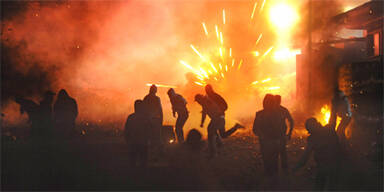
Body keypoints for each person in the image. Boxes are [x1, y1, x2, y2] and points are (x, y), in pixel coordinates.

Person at [292, 103, 342, 190]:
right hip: (336, 164)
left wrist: (296, 168)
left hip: (324, 166)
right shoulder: (329, 128)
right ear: (318, 124)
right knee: (333, 186)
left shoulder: (312, 139)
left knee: (320, 186)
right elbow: (333, 116)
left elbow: (305, 157)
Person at [253, 94, 282, 177]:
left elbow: (280, 128)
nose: (268, 104)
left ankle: (273, 181)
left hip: (273, 142)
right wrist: (261, 135)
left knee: (273, 162)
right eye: (267, 102)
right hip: (266, 142)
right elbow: (255, 129)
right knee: (268, 162)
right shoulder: (259, 114)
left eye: (270, 102)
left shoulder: (277, 114)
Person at [124, 100, 151, 168]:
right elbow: (149, 129)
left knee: (132, 161)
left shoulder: (131, 117)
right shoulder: (145, 117)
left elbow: (127, 130)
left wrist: (127, 140)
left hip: (133, 142)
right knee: (143, 162)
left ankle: (133, 175)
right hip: (143, 142)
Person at [273, 95, 294, 174]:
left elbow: (291, 121)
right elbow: (291, 121)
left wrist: (289, 133)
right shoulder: (273, 110)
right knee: (278, 153)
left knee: (282, 153)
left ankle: (283, 172)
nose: (277, 102)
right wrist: (289, 133)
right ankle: (278, 172)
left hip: (281, 135)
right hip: (274, 136)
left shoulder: (283, 110)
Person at [143, 84, 164, 152]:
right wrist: (161, 119)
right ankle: (157, 152)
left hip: (148, 120)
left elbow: (143, 109)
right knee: (156, 137)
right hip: (155, 120)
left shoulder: (146, 98)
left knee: (150, 136)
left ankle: (150, 151)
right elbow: (160, 110)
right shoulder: (157, 99)